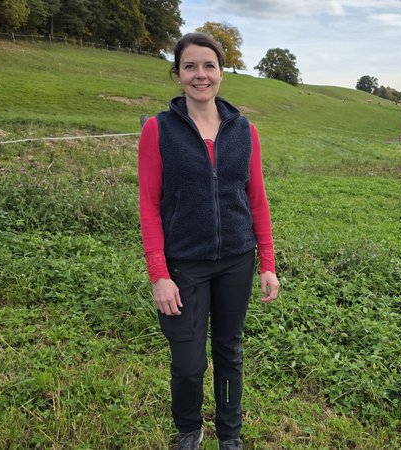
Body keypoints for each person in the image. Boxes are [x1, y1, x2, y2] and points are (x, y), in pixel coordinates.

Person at [138, 32, 280, 450]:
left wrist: (267, 262)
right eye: (190, 66)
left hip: (237, 258)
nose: (200, 75)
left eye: (209, 66)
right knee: (187, 362)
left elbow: (256, 198)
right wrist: (159, 274)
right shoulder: (158, 129)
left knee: (229, 352)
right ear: (178, 74)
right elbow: (148, 204)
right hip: (184, 264)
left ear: (221, 72)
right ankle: (189, 429)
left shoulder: (244, 131)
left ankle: (230, 435)